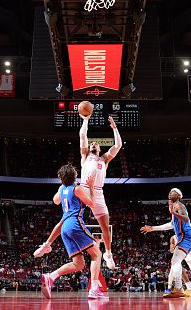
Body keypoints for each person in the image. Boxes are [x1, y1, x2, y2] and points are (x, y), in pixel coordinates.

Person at [35, 115, 122, 270]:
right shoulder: (84, 157)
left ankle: (108, 254)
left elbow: (118, 145)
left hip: (98, 192)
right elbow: (82, 135)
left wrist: (115, 128)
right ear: (89, 148)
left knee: (105, 226)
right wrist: (86, 120)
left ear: (100, 149)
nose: (94, 144)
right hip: (82, 189)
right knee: (65, 220)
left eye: (96, 144)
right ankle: (47, 245)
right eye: (92, 144)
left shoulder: (104, 159)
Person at [39, 163, 105, 300]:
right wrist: (91, 187)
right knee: (97, 254)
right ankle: (94, 289)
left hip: (64, 228)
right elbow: (92, 204)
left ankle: (51, 276)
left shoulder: (62, 188)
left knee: (79, 264)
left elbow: (55, 201)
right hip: (75, 223)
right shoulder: (77, 188)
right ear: (74, 176)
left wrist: (62, 187)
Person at [141, 188, 191, 298]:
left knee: (175, 262)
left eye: (173, 192)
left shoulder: (179, 205)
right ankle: (189, 288)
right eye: (170, 192)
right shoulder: (174, 210)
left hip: (186, 236)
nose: (170, 193)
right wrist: (152, 228)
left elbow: (186, 219)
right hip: (186, 237)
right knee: (176, 263)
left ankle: (179, 289)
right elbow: (170, 225)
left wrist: (173, 212)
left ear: (179, 196)